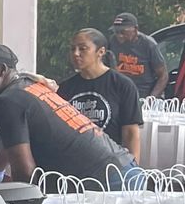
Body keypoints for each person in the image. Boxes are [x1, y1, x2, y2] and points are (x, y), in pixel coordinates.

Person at [0, 42, 138, 187]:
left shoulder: (7, 102)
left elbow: (25, 172)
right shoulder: (28, 85)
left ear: (1, 70)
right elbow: (14, 138)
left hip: (105, 181)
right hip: (124, 168)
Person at [61, 29, 145, 159]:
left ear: (101, 52)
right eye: (73, 49)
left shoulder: (122, 85)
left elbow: (130, 133)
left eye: (83, 49)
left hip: (110, 163)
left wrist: (133, 171)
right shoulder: (65, 88)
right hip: (74, 162)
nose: (76, 54)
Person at [108, 13, 168, 99]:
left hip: (143, 94)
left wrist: (151, 99)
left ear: (135, 29)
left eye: (123, 32)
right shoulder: (113, 41)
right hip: (121, 93)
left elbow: (163, 75)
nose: (119, 35)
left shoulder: (148, 45)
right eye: (116, 32)